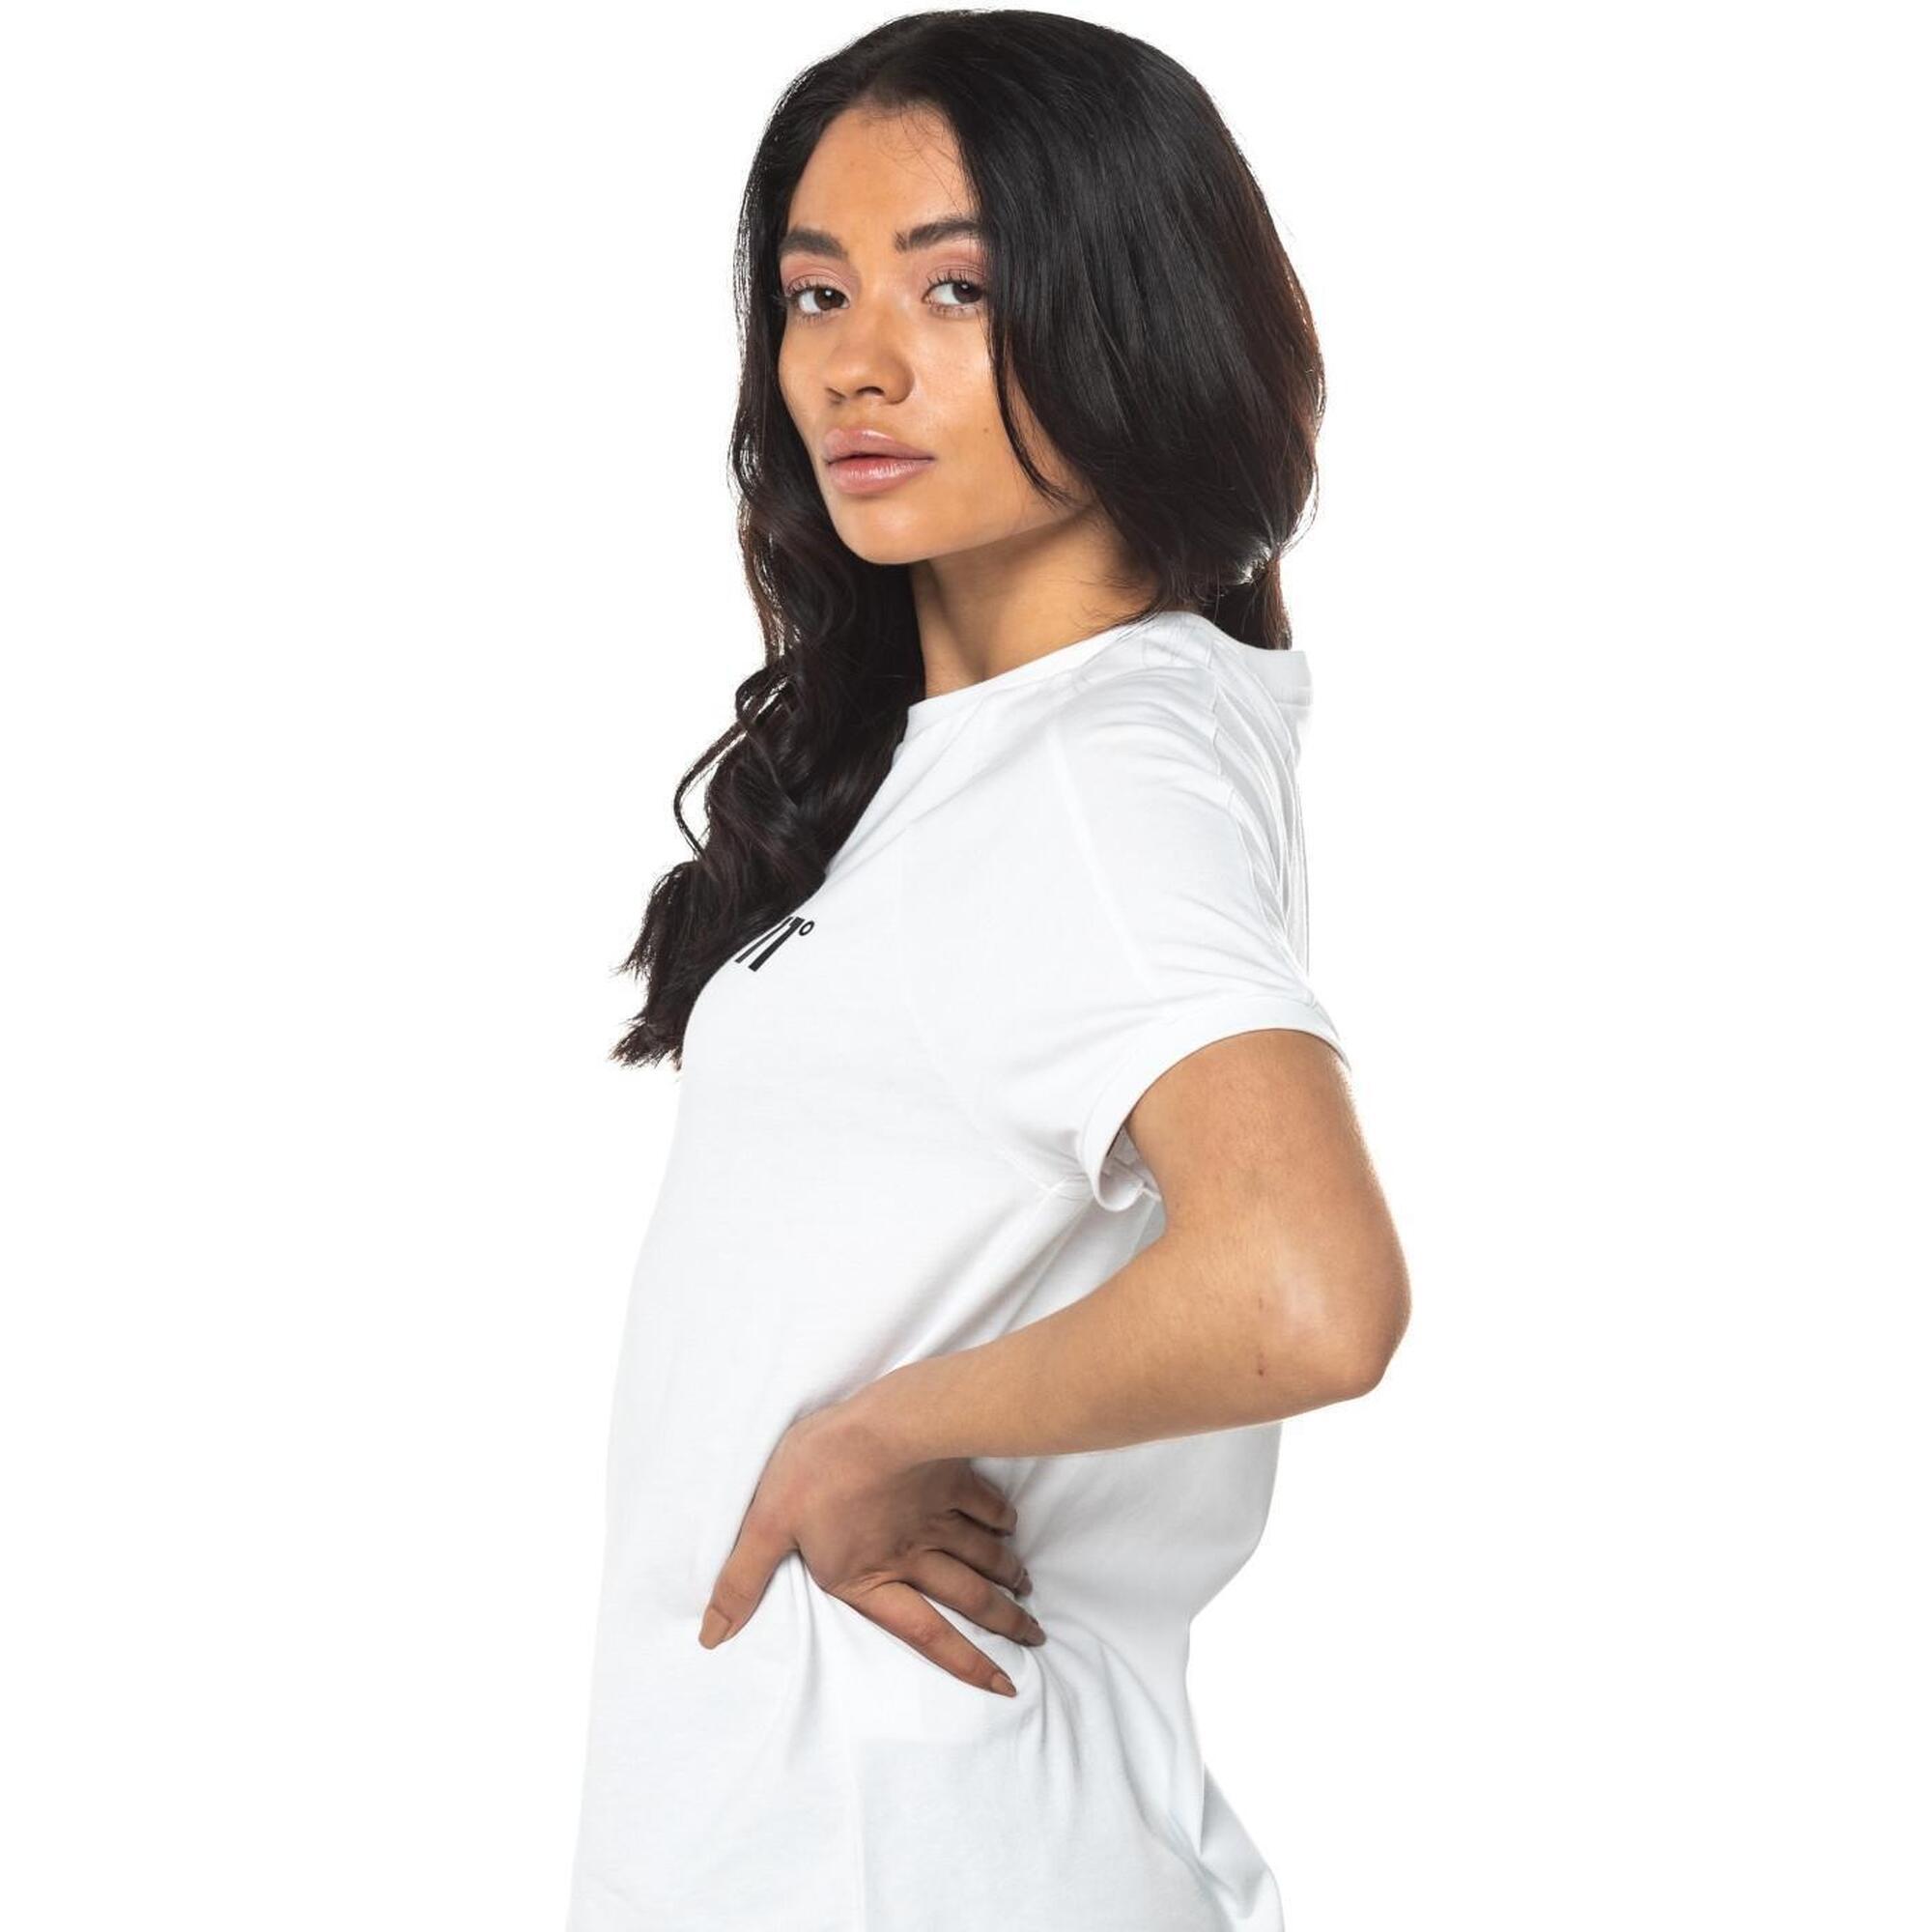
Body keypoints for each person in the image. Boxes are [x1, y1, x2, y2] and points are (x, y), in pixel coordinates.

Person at [564, 13, 1409, 1929]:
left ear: (1131, 314)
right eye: (817, 292)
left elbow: (1310, 1285)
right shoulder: (1003, 755)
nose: (856, 362)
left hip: (913, 1854)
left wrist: (887, 1428)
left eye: (956, 289)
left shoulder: (1098, 774)